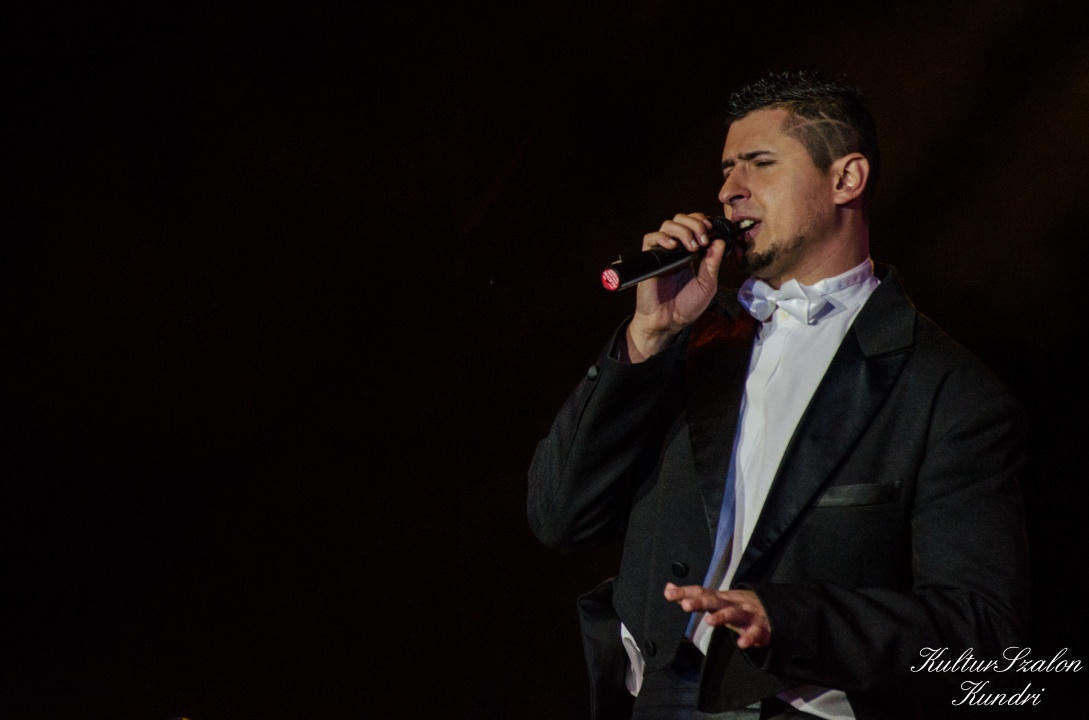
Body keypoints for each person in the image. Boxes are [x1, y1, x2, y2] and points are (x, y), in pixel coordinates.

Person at [527, 71, 1029, 720]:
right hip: (651, 701)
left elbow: (980, 633)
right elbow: (560, 516)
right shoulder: (687, 342)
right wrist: (646, 337)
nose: (727, 191)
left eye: (759, 163)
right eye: (725, 169)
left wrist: (789, 619)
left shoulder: (945, 390)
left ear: (846, 179)